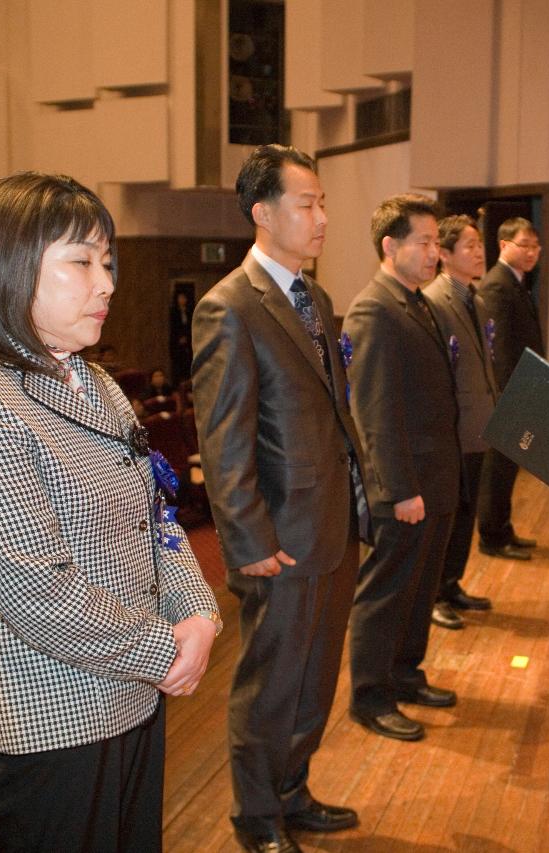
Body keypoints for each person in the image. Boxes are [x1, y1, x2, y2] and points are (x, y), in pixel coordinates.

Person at [0, 171, 219, 852]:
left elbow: (157, 515)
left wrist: (197, 607)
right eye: (80, 260)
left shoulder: (99, 383)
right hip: (47, 725)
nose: (105, 281)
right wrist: (163, 647)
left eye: (107, 261)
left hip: (133, 696)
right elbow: (37, 589)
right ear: (10, 269)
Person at [192, 144, 369, 853]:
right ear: (263, 213)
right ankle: (256, 815)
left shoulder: (315, 297)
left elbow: (335, 416)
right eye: (308, 203)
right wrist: (250, 542)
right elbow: (224, 442)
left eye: (323, 202)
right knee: (269, 687)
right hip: (280, 538)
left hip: (331, 527)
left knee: (315, 677)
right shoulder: (228, 308)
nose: (322, 216)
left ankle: (292, 789)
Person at [343, 194, 462, 742]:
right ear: (391, 246)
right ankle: (370, 696)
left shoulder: (415, 302)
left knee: (419, 588)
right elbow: (375, 410)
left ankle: (405, 674)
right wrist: (400, 490)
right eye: (425, 241)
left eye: (437, 242)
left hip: (434, 479)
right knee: (387, 592)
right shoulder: (375, 309)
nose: (435, 252)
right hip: (404, 486)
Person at [423, 215, 497, 631]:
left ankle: (452, 585)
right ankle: (434, 594)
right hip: (453, 430)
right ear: (445, 254)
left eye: (479, 243)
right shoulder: (436, 300)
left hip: (478, 426)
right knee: (448, 517)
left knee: (467, 512)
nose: (478, 250)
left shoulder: (477, 298)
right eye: (468, 245)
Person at [476, 216, 542, 560]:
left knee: (509, 466)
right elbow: (499, 350)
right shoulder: (497, 285)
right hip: (508, 393)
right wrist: (508, 397)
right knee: (497, 469)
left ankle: (503, 528)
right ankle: (492, 536)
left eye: (536, 246)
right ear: (504, 246)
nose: (532, 252)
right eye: (525, 245)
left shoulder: (516, 282)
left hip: (522, 390)